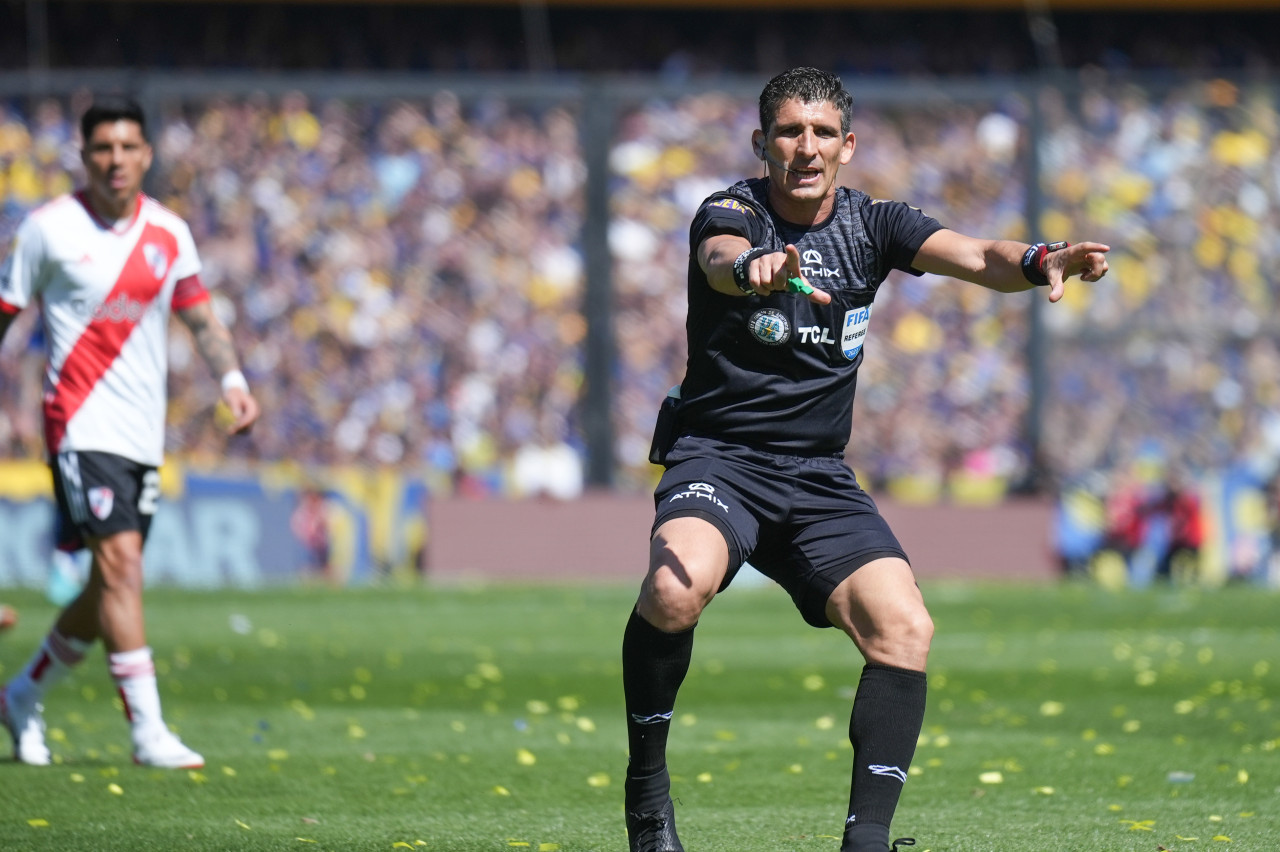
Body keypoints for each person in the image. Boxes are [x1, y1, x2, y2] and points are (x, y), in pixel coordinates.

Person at [621, 67, 1110, 852]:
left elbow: (978, 253)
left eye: (820, 133)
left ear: (847, 147)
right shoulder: (730, 210)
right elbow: (719, 254)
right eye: (788, 131)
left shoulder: (875, 224)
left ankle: (867, 842)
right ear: (762, 143)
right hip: (721, 461)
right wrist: (750, 268)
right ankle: (647, 797)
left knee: (905, 627)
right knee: (675, 594)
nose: (804, 147)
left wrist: (1037, 259)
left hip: (816, 475)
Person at [0, 96, 260, 768]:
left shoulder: (169, 232)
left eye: (127, 148)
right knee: (122, 569)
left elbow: (201, 318)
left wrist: (232, 381)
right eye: (102, 149)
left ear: (146, 154)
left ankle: (21, 695)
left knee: (105, 587)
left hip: (143, 434)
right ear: (84, 157)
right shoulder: (47, 230)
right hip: (79, 424)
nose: (116, 160)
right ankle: (147, 732)